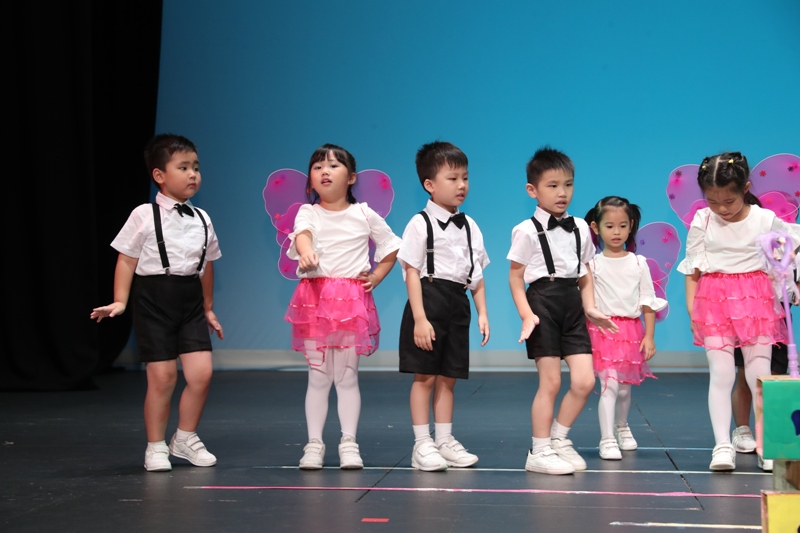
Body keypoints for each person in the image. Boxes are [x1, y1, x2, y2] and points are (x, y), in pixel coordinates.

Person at [91, 134, 223, 472]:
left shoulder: (202, 218)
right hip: (154, 300)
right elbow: (127, 259)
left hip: (190, 301)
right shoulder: (143, 214)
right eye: (183, 167)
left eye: (196, 167)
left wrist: (208, 308)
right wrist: (120, 301)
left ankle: (185, 437)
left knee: (202, 374)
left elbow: (207, 265)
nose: (193, 174)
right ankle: (155, 446)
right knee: (162, 378)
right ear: (159, 175)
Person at [679, 151, 800, 471]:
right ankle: (722, 445)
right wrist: (693, 313)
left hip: (756, 300)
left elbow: (787, 251)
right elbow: (693, 269)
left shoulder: (764, 219)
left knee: (758, 374)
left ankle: (765, 444)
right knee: (722, 374)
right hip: (714, 301)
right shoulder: (702, 220)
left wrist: (790, 278)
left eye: (729, 201)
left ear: (745, 188)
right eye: (712, 201)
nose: (721, 208)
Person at [285, 144, 401, 470]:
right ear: (310, 179)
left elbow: (391, 246)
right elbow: (302, 234)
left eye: (334, 165)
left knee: (347, 377)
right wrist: (306, 251)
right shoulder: (308, 212)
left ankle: (349, 443)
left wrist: (376, 276)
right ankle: (314, 444)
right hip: (315, 299)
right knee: (319, 376)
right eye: (318, 166)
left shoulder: (364, 213)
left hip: (351, 302)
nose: (325, 171)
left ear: (351, 178)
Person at [508, 147, 617, 475]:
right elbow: (515, 278)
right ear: (533, 190)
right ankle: (539, 450)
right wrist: (526, 314)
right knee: (551, 381)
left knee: (584, 380)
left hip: (572, 304)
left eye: (568, 185)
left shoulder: (581, 227)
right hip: (542, 303)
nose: (562, 193)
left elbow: (585, 272)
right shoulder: (525, 230)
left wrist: (590, 307)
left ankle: (558, 438)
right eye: (553, 185)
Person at [398, 141, 490, 471]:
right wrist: (420, 319)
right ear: (430, 184)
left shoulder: (470, 226)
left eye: (465, 177)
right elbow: (411, 272)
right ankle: (422, 443)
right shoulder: (419, 223)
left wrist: (482, 312)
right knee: (425, 376)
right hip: (428, 299)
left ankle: (444, 440)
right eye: (452, 178)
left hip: (458, 303)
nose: (461, 185)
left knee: (449, 377)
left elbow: (476, 275)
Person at [584, 196, 667, 460]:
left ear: (631, 226)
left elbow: (647, 301)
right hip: (603, 331)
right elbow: (586, 302)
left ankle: (622, 426)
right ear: (596, 228)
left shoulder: (638, 262)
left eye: (622, 226)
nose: (616, 232)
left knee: (624, 388)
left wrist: (649, 336)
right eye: (609, 226)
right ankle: (607, 438)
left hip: (631, 332)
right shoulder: (592, 264)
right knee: (609, 385)